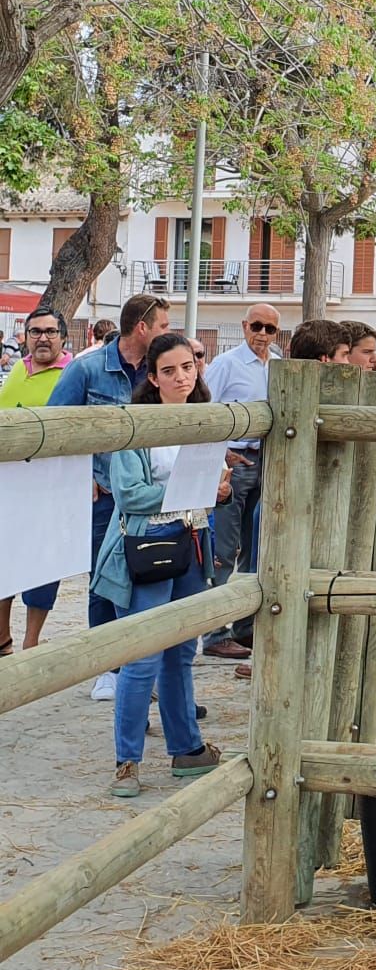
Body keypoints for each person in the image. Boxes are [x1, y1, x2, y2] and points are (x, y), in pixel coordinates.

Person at [91, 333, 224, 797]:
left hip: (193, 539)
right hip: (147, 545)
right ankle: (126, 761)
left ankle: (186, 748)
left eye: (187, 366)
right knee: (143, 655)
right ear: (152, 377)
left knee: (181, 651)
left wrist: (215, 490)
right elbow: (130, 496)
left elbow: (210, 483)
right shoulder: (135, 422)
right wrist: (198, 491)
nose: (181, 376)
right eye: (169, 370)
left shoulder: (206, 419)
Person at [48, 294, 172, 700]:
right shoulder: (85, 370)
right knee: (104, 579)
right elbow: (53, 428)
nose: (168, 333)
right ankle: (107, 667)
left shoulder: (158, 373)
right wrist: (80, 475)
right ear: (143, 328)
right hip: (103, 494)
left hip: (148, 494)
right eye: (164, 327)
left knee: (147, 575)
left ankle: (138, 667)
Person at [199, 304, 282, 671]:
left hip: (265, 462)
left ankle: (245, 625)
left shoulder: (276, 363)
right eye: (257, 326)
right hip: (235, 462)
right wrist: (222, 455)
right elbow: (206, 412)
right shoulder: (225, 365)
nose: (262, 334)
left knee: (255, 548)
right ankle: (214, 633)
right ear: (245, 326)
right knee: (223, 549)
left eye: (270, 329)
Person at [0, 308, 74, 653]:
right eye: (35, 332)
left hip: (51, 487)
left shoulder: (73, 372)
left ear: (63, 336)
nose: (42, 338)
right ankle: (3, 638)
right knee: (5, 560)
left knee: (43, 565)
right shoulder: (18, 368)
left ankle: (32, 642)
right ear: (26, 336)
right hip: (10, 485)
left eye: (50, 331)